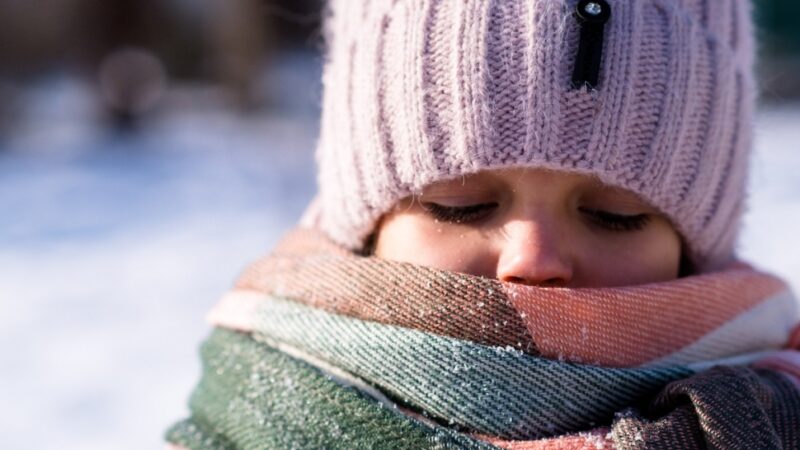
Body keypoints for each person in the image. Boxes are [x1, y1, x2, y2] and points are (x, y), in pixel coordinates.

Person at [166, 0, 800, 448]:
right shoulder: (250, 425)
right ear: (364, 229)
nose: (533, 257)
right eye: (460, 204)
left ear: (696, 250)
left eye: (616, 216)